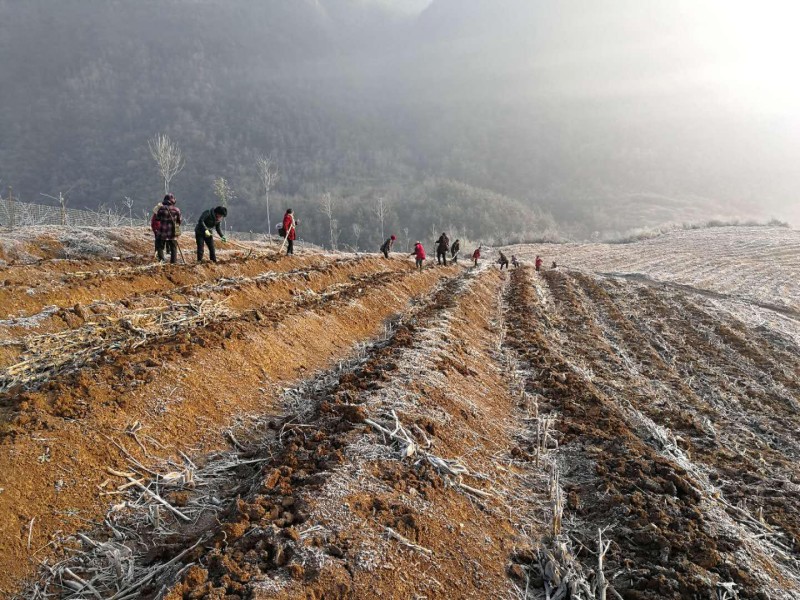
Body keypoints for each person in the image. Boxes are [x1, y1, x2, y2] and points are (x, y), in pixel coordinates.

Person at [155, 194, 181, 264]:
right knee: (173, 248)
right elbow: (179, 221)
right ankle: (173, 262)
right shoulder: (177, 210)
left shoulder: (161, 209)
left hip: (162, 231)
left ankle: (162, 261)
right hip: (172, 232)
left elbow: (157, 218)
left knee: (160, 246)